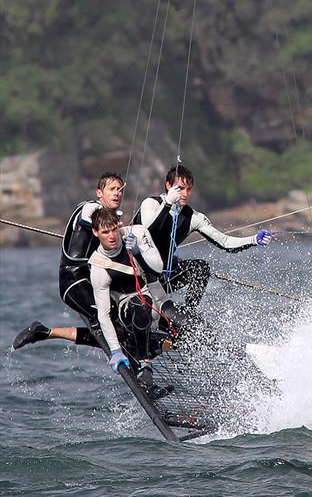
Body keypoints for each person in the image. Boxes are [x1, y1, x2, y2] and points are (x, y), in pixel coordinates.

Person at [13, 172, 125, 352]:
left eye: (120, 190)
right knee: (111, 324)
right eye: (111, 189)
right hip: (73, 281)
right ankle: (119, 352)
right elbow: (86, 219)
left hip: (90, 279)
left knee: (122, 323)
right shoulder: (91, 207)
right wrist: (111, 228)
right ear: (99, 193)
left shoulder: (108, 220)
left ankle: (44, 332)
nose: (117, 193)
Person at [133, 165, 272, 309]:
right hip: (132, 275)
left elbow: (224, 242)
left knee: (200, 268)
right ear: (168, 185)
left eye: (189, 189)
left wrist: (254, 240)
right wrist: (168, 203)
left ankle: (189, 313)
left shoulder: (194, 218)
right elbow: (149, 232)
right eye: (180, 188)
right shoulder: (151, 204)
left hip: (161, 280)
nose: (185, 194)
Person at [88, 207, 166, 385]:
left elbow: (158, 269)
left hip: (156, 297)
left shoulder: (135, 234)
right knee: (140, 305)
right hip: (129, 307)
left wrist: (138, 251)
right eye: (105, 232)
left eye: (114, 229)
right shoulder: (99, 266)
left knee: (185, 323)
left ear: (119, 225)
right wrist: (115, 350)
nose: (111, 236)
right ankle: (145, 364)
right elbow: (103, 314)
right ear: (95, 233)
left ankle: (226, 350)